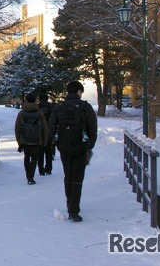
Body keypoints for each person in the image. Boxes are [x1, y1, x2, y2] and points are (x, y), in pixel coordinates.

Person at [48, 81, 98, 222]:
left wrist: (57, 141)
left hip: (64, 147)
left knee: (68, 175)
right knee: (78, 177)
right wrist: (90, 145)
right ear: (78, 91)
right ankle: (74, 210)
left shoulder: (59, 107)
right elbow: (93, 127)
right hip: (81, 146)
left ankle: (70, 203)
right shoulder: (85, 107)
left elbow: (51, 127)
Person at [15, 94, 49, 185]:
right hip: (36, 139)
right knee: (34, 158)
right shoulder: (39, 113)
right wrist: (44, 142)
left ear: (26, 100)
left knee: (27, 157)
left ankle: (28, 175)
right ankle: (31, 177)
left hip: (25, 140)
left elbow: (17, 128)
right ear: (35, 101)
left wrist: (19, 141)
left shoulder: (22, 113)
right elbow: (45, 129)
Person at [37, 94, 54, 176]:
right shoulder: (51, 107)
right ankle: (49, 169)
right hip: (49, 130)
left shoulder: (37, 107)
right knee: (48, 151)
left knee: (40, 151)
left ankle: (41, 169)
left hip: (39, 132)